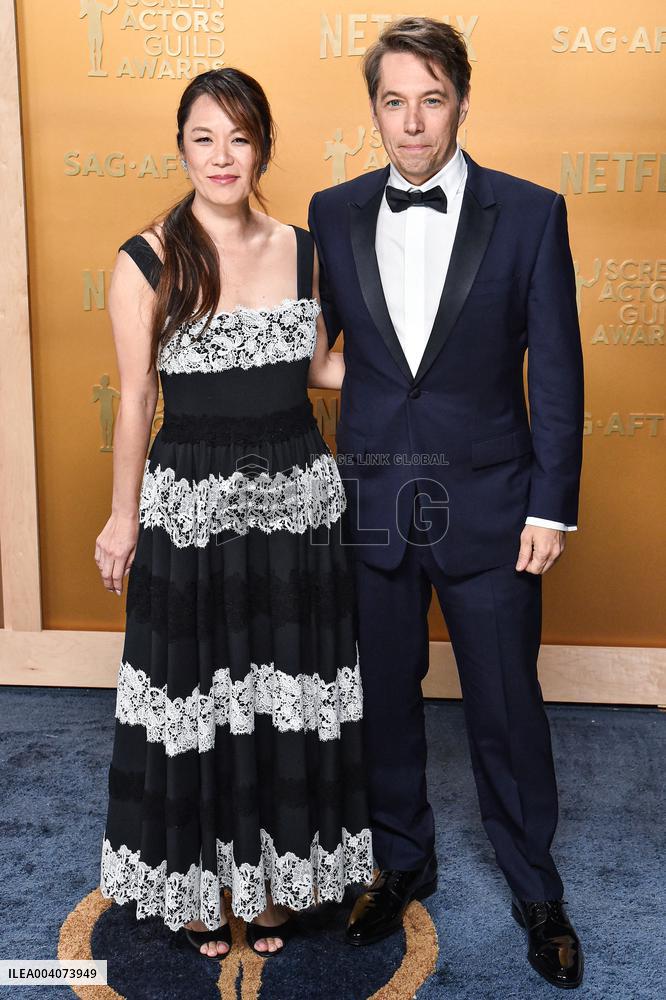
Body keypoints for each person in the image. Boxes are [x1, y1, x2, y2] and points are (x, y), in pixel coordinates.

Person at [308, 17, 585, 990]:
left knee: (508, 707)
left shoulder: (533, 212)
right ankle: (399, 860)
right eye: (394, 100)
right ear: (373, 109)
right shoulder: (333, 212)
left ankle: (535, 884)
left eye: (431, 98)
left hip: (495, 507)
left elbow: (555, 372)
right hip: (376, 502)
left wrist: (551, 506)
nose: (412, 122)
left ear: (462, 100)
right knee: (384, 700)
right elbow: (326, 355)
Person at [94, 67, 372, 961]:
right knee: (202, 699)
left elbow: (321, 369)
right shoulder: (145, 259)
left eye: (239, 138)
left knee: (283, 695)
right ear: (181, 147)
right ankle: (204, 888)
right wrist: (120, 519)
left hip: (297, 498)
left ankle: (281, 882)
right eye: (204, 138)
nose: (222, 157)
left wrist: (436, 362)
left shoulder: (303, 246)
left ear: (263, 147)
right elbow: (136, 401)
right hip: (195, 510)